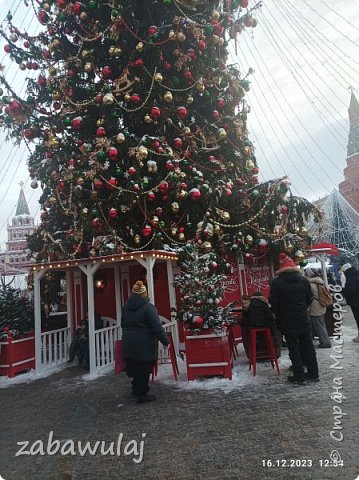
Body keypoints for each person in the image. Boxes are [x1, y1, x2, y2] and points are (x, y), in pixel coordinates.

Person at [269, 253, 319, 384]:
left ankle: (299, 375)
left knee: (293, 347)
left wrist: (279, 314)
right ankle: (314, 373)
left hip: (287, 319)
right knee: (308, 345)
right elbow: (310, 297)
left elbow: (274, 302)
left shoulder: (277, 283)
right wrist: (302, 308)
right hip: (302, 317)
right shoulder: (303, 280)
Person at [121, 280, 169, 403]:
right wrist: (165, 341)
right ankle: (142, 394)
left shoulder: (126, 306)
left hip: (129, 342)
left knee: (135, 367)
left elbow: (123, 323)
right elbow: (156, 327)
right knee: (144, 369)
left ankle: (135, 389)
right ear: (144, 293)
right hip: (144, 344)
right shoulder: (148, 308)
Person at [306, 268, 331, 348]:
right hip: (320, 305)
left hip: (315, 307)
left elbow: (309, 295)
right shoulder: (319, 281)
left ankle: (325, 343)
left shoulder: (311, 284)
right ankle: (325, 341)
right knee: (322, 325)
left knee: (319, 326)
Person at [341, 263, 359, 343]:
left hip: (355, 302)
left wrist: (342, 290)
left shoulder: (350, 278)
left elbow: (351, 291)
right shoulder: (356, 275)